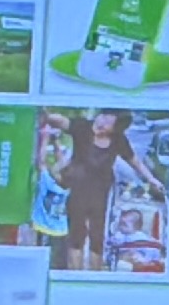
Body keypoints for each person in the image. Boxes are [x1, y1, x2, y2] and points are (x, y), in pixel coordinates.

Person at [61, 109, 162, 271]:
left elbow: (135, 162)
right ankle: (74, 274)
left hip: (101, 194)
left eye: (109, 121)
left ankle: (95, 275)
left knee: (97, 237)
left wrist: (151, 179)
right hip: (78, 191)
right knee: (76, 235)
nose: (102, 123)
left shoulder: (118, 141)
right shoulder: (83, 129)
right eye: (103, 117)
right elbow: (62, 122)